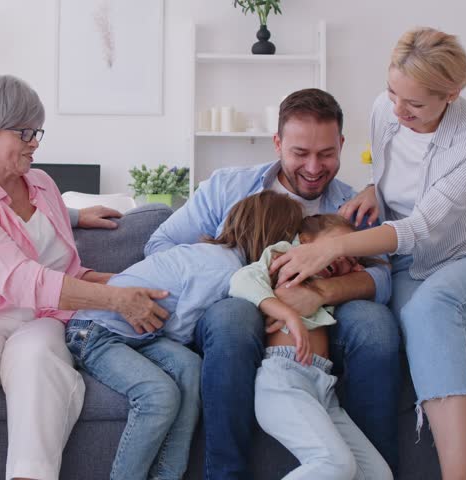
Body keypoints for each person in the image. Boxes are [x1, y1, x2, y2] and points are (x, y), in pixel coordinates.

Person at [272, 27, 466, 480]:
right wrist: (374, 187)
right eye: (393, 94)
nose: (397, 110)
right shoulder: (384, 109)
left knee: (433, 306)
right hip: (419, 266)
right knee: (454, 343)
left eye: (413, 104)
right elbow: (387, 168)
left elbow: (422, 225)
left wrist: (333, 246)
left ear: (450, 94)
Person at [0, 75, 171, 480]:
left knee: (38, 361)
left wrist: (130, 283)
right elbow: (22, 279)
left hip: (43, 316)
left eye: (37, 131)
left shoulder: (43, 184)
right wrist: (117, 300)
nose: (35, 141)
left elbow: (66, 271)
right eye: (24, 132)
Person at [145, 88, 401, 477]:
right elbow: (159, 246)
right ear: (277, 142)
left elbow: (382, 277)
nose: (314, 167)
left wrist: (318, 292)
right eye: (300, 153)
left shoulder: (351, 206)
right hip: (239, 313)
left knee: (375, 325)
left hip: (318, 334)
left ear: (342, 145)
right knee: (233, 317)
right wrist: (234, 271)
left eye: (326, 154)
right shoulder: (227, 188)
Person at [68, 191, 303, 480]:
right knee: (159, 395)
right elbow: (180, 326)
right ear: (275, 239)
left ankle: (167, 475)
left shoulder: (219, 258)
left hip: (141, 336)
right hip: (95, 331)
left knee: (192, 369)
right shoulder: (222, 271)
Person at [230, 214, 392, 480]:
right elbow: (242, 280)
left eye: (351, 258)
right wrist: (287, 314)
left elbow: (379, 275)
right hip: (284, 380)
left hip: (323, 389)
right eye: (338, 247)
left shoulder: (328, 283)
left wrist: (351, 272)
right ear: (304, 242)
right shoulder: (285, 257)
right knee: (335, 464)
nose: (342, 258)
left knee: (378, 475)